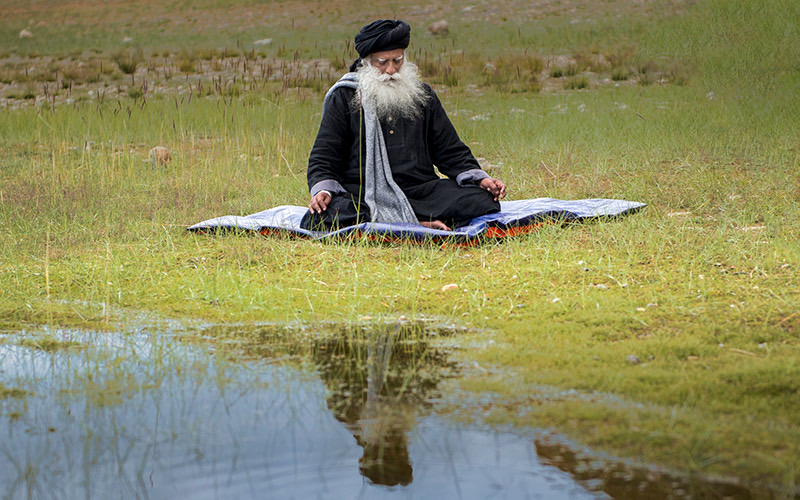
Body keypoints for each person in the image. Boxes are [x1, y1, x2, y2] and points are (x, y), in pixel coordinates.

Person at [300, 19, 506, 232]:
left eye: (397, 60)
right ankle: (416, 224)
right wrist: (323, 191)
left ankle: (397, 223)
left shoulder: (422, 95)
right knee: (322, 216)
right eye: (382, 62)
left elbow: (449, 150)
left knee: (483, 200)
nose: (391, 70)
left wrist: (481, 180)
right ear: (367, 62)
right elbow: (324, 156)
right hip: (363, 194)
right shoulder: (343, 97)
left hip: (420, 192)